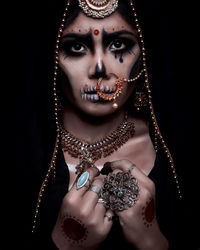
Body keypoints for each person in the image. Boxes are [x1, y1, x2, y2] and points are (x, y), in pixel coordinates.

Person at [24, 0, 195, 249]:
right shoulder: (22, 157)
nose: (100, 68)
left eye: (119, 44)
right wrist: (64, 242)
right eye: (76, 47)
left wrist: (150, 239)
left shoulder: (177, 149)